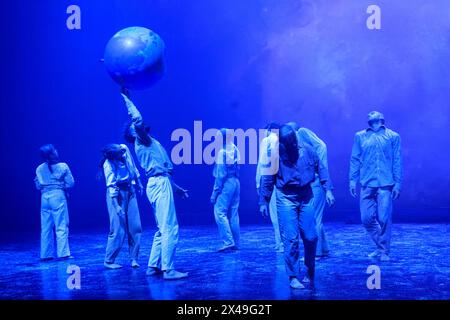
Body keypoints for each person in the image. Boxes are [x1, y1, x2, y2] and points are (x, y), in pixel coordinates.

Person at [121, 88, 189, 280]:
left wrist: (176, 189)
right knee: (170, 227)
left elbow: (161, 170)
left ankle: (153, 265)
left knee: (162, 227)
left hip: (159, 183)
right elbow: (138, 121)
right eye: (135, 128)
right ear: (134, 133)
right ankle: (169, 269)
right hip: (158, 184)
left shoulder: (149, 143)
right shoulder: (142, 141)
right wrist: (127, 99)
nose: (140, 128)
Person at [259, 125, 333, 290]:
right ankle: (293, 275)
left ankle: (310, 267)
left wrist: (328, 190)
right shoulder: (276, 153)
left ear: (293, 142)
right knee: (291, 238)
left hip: (306, 196)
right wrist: (264, 200)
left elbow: (321, 169)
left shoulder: (307, 150)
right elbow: (268, 178)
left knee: (311, 236)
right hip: (285, 197)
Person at [349, 111, 402, 262]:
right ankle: (381, 246)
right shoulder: (360, 136)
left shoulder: (393, 136)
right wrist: (352, 180)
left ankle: (384, 250)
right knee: (366, 218)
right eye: (369, 115)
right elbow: (355, 159)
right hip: (367, 183)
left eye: (375, 115)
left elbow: (397, 160)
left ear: (381, 119)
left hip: (385, 183)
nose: (371, 115)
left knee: (384, 218)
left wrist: (398, 183)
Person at [287, 122, 335, 258]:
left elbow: (322, 146)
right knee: (316, 217)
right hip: (314, 182)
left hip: (316, 183)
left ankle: (316, 253)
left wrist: (316, 166)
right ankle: (324, 249)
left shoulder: (302, 132)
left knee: (313, 218)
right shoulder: (302, 145)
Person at [100, 143, 143, 269]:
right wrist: (117, 206)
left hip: (130, 191)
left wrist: (139, 182)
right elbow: (111, 185)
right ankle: (109, 260)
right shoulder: (108, 164)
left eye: (121, 151)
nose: (122, 154)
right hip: (117, 195)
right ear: (114, 156)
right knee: (118, 228)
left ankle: (134, 258)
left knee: (136, 227)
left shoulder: (124, 148)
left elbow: (133, 166)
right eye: (119, 153)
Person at [35, 144, 74, 260]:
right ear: (51, 154)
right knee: (61, 224)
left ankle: (45, 254)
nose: (57, 151)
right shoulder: (63, 166)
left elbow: (38, 186)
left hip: (44, 198)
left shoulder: (39, 168)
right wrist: (61, 186)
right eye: (54, 150)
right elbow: (70, 183)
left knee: (46, 226)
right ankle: (63, 253)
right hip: (57, 196)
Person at [210, 128, 241, 252]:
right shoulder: (235, 148)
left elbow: (220, 175)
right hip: (236, 182)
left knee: (219, 212)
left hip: (227, 183)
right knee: (233, 213)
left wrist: (215, 193)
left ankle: (228, 241)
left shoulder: (222, 152)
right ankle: (236, 243)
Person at [256, 122, 283, 252]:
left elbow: (262, 163)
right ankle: (281, 242)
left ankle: (280, 243)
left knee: (275, 215)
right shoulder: (283, 140)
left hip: (270, 181)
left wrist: (259, 183)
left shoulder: (266, 141)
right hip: (282, 182)